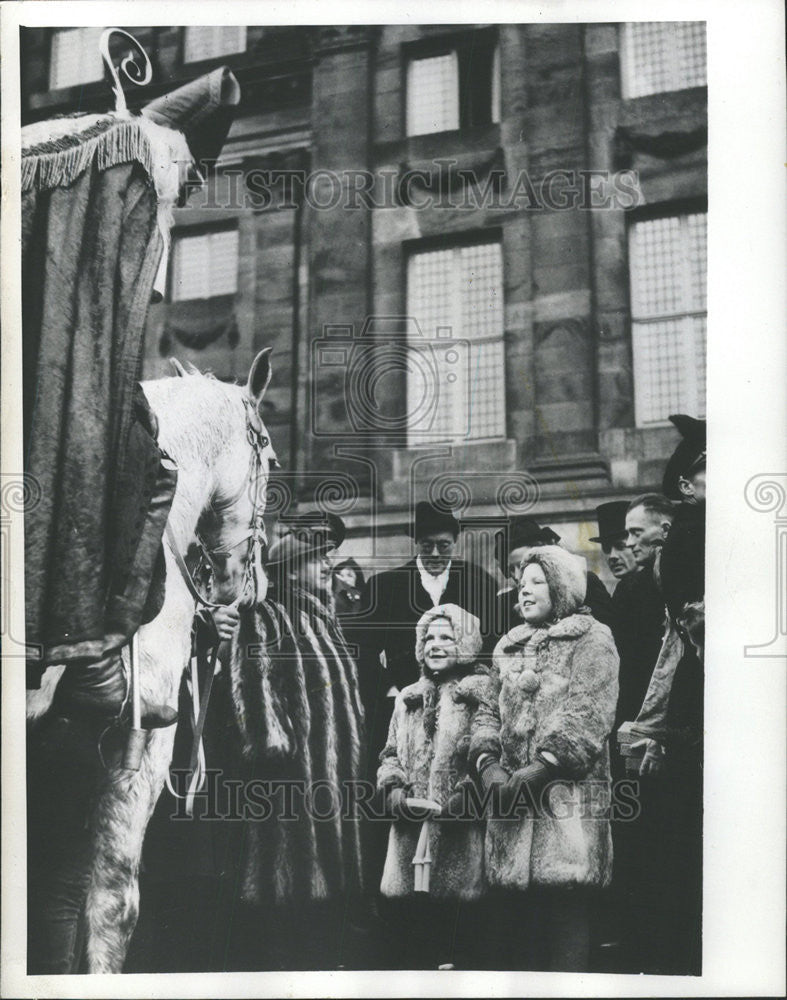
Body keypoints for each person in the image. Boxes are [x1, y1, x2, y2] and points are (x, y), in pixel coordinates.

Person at [469, 546, 619, 971]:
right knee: (519, 921)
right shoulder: (509, 644)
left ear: (562, 586)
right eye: (521, 584)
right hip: (509, 803)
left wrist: (544, 766)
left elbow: (590, 712)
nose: (525, 591)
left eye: (537, 582)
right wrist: (488, 765)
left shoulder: (593, 637)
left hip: (566, 801)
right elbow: (486, 711)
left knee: (564, 907)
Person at [357, 501, 498, 901]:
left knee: (456, 801)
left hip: (462, 708)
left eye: (444, 546)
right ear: (415, 544)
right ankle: (394, 896)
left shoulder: (478, 582)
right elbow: (366, 651)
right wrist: (393, 691)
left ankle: (460, 895)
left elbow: (488, 649)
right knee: (400, 799)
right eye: (427, 546)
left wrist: (472, 690)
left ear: (455, 543)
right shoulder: (385, 586)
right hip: (402, 710)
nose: (436, 554)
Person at [376, 604, 488, 969]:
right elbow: (390, 752)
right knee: (413, 934)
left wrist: (468, 795)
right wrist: (393, 788)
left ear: (467, 644)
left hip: (458, 832)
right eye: (429, 638)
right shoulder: (407, 698)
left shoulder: (479, 695)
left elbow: (488, 752)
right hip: (410, 833)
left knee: (456, 933)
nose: (435, 645)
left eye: (447, 637)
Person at [493, 516, 614, 636]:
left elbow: (608, 633)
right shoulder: (504, 605)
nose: (518, 576)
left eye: (523, 564)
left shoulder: (585, 586)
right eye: (510, 569)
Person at [589, 501, 637, 585]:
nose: (612, 556)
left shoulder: (657, 586)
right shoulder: (622, 589)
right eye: (606, 548)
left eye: (620, 546)